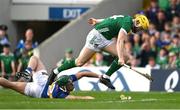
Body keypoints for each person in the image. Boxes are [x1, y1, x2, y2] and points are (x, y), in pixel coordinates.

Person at [49, 14, 149, 89]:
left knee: (125, 56)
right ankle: (55, 71)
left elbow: (109, 20)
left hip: (106, 39)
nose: (140, 30)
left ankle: (105, 77)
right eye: (141, 28)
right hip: (96, 37)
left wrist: (97, 21)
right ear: (137, 22)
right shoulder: (127, 25)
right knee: (79, 62)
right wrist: (121, 58)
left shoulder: (127, 19)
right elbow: (120, 41)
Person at [0, 55, 99, 99]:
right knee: (10, 85)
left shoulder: (64, 81)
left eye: (70, 82)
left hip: (43, 84)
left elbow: (83, 73)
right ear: (64, 86)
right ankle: (27, 72)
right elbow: (74, 98)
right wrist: (87, 97)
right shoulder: (60, 93)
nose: (72, 83)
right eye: (70, 83)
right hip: (38, 92)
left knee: (34, 58)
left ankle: (28, 71)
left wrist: (99, 76)